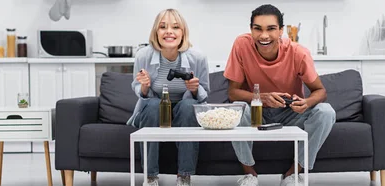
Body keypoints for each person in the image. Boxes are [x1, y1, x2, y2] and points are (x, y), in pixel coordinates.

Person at [223, 4, 336, 186]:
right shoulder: (241, 45)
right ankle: (249, 174)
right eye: (257, 29)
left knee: (326, 112)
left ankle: (292, 174)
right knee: (237, 108)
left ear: (281, 31)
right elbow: (232, 92)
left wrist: (306, 102)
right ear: (251, 30)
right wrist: (262, 97)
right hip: (256, 112)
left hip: (290, 112)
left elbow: (320, 91)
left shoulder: (298, 53)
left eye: (271, 29)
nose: (264, 35)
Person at [126, 8, 210, 186]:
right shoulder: (143, 56)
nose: (169, 32)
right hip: (155, 107)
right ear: (156, 32)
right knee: (152, 105)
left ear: (183, 33)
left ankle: (184, 176)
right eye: (163, 27)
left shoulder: (198, 57)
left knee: (188, 106)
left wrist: (195, 89)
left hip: (184, 108)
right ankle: (150, 177)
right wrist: (144, 86)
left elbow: (204, 93)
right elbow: (138, 90)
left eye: (175, 27)